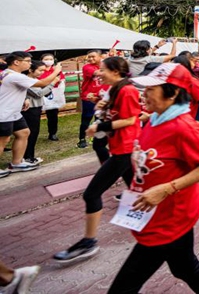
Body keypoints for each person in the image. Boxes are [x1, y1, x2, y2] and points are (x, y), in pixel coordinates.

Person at [107, 63, 199, 293]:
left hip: (170, 217)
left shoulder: (184, 127)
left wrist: (166, 189)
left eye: (152, 89)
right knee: (185, 268)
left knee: (124, 285)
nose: (145, 94)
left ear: (172, 94)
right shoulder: (154, 118)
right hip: (154, 212)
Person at [54, 57, 141, 263]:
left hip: (125, 150)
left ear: (116, 71)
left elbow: (130, 119)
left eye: (102, 70)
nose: (98, 73)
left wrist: (98, 128)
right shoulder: (115, 89)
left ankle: (89, 241)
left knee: (91, 194)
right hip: (121, 146)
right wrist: (100, 104)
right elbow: (116, 113)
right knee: (136, 188)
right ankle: (154, 221)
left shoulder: (127, 90)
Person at [0, 52, 62, 176]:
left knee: (23, 132)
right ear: (17, 62)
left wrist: (24, 99)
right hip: (4, 112)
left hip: (14, 112)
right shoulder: (13, 76)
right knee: (3, 139)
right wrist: (56, 72)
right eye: (27, 61)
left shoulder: (10, 74)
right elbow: (42, 83)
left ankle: (16, 163)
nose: (30, 64)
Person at [21, 60, 55, 165]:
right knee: (31, 133)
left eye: (43, 71)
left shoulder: (35, 80)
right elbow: (39, 94)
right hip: (30, 109)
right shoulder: (28, 81)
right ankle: (27, 157)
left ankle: (30, 156)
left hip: (36, 108)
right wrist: (52, 83)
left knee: (34, 133)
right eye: (40, 70)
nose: (42, 73)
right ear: (31, 70)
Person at [78, 50, 104, 149]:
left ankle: (96, 137)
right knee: (86, 118)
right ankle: (82, 139)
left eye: (93, 56)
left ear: (100, 56)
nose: (91, 59)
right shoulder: (87, 67)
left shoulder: (103, 65)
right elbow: (98, 73)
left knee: (99, 118)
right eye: (89, 57)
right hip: (88, 96)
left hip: (100, 97)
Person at [39, 53, 65, 141]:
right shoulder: (39, 70)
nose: (49, 61)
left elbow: (60, 80)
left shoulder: (56, 70)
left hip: (53, 93)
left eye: (51, 59)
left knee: (53, 115)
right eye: (46, 59)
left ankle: (52, 133)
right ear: (41, 60)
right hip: (40, 93)